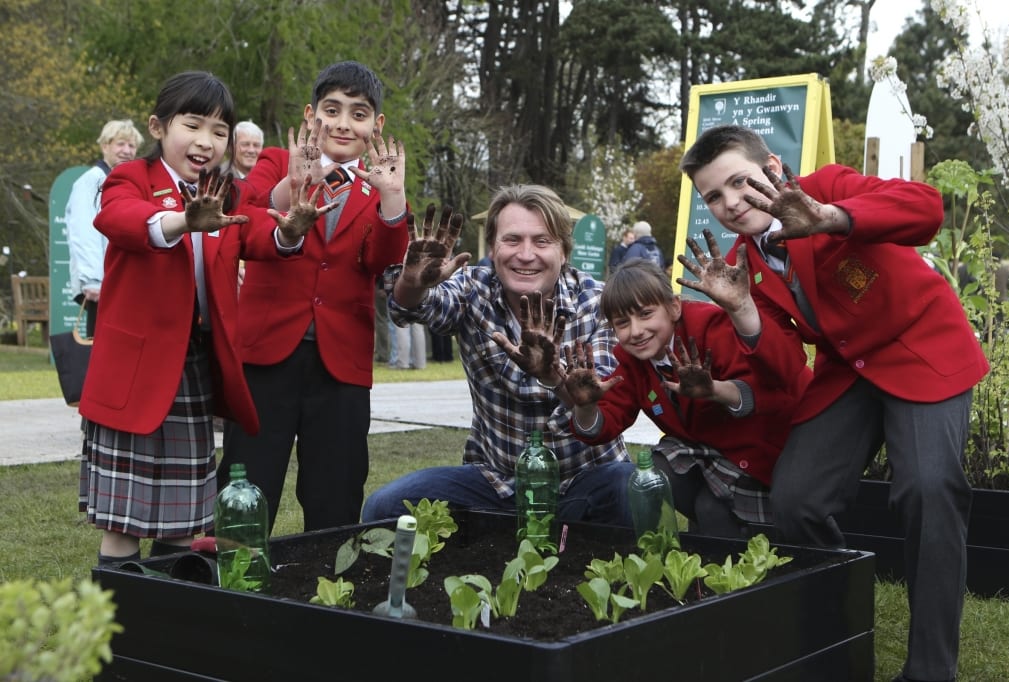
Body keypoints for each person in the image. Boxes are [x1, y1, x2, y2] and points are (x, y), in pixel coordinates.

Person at [680, 124, 989, 682]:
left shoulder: (825, 185)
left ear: (773, 166)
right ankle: (837, 633)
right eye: (713, 197)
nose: (729, 203)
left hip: (920, 345)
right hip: (847, 371)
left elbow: (924, 208)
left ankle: (930, 669)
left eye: (737, 183)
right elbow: (783, 366)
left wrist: (829, 217)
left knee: (928, 488)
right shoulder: (739, 263)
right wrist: (742, 309)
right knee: (796, 498)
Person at [77, 71, 329, 567]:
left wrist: (289, 233)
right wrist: (181, 221)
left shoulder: (226, 192)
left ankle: (171, 627)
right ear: (158, 126)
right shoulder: (132, 178)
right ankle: (118, 631)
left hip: (193, 368)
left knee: (181, 524)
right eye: (193, 125)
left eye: (219, 131)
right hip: (135, 375)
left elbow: (257, 232)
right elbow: (119, 219)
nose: (206, 141)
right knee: (122, 527)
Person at [362, 187, 634, 527]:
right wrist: (414, 282)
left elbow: (597, 406)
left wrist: (554, 377)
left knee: (630, 489)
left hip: (586, 480)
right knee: (383, 507)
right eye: (512, 240)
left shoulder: (597, 303)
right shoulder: (474, 288)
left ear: (564, 251)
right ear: (493, 248)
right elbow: (412, 309)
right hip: (497, 483)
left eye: (542, 241)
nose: (525, 254)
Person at [220, 61, 410, 533]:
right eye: (332, 110)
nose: (344, 124)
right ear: (312, 115)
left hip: (340, 362)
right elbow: (245, 221)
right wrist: (293, 184)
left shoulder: (375, 186)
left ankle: (329, 588)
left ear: (376, 125)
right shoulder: (272, 162)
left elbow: (381, 262)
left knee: (335, 487)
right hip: (267, 352)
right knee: (250, 481)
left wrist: (393, 200)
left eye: (359, 114)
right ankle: (237, 585)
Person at [553, 245, 811, 537]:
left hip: (775, 443)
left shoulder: (709, 327)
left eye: (646, 314)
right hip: (717, 447)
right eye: (622, 323)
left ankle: (747, 542)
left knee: (711, 509)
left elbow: (768, 392)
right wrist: (585, 406)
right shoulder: (632, 360)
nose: (636, 331)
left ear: (674, 307)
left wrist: (714, 390)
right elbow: (607, 420)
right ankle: (720, 536)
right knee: (658, 470)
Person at [65, 119, 144, 337]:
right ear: (105, 146)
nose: (127, 151)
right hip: (100, 285)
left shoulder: (124, 183)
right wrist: (92, 281)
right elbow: (84, 233)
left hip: (122, 280)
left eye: (131, 146)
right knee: (99, 348)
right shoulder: (91, 182)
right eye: (121, 144)